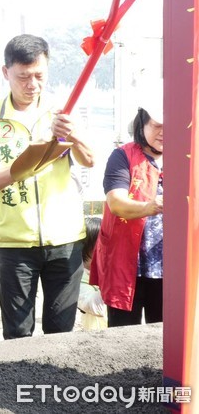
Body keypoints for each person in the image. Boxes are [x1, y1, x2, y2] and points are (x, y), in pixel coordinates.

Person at [0, 33, 95, 340]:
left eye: (39, 75)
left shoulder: (63, 111)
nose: (33, 85)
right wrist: (22, 167)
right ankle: (18, 388)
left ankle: (54, 388)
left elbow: (90, 160)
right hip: (15, 242)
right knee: (17, 334)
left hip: (64, 239)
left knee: (61, 332)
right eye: (23, 77)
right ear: (5, 73)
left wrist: (75, 136)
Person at [90, 100, 163, 327]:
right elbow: (117, 203)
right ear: (142, 124)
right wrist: (150, 207)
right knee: (122, 334)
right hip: (126, 262)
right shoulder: (122, 156)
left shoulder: (189, 158)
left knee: (164, 335)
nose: (164, 133)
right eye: (157, 126)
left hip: (168, 266)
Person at [77, 216, 107, 331]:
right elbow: (98, 308)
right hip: (95, 340)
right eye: (101, 243)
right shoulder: (77, 279)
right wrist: (110, 273)